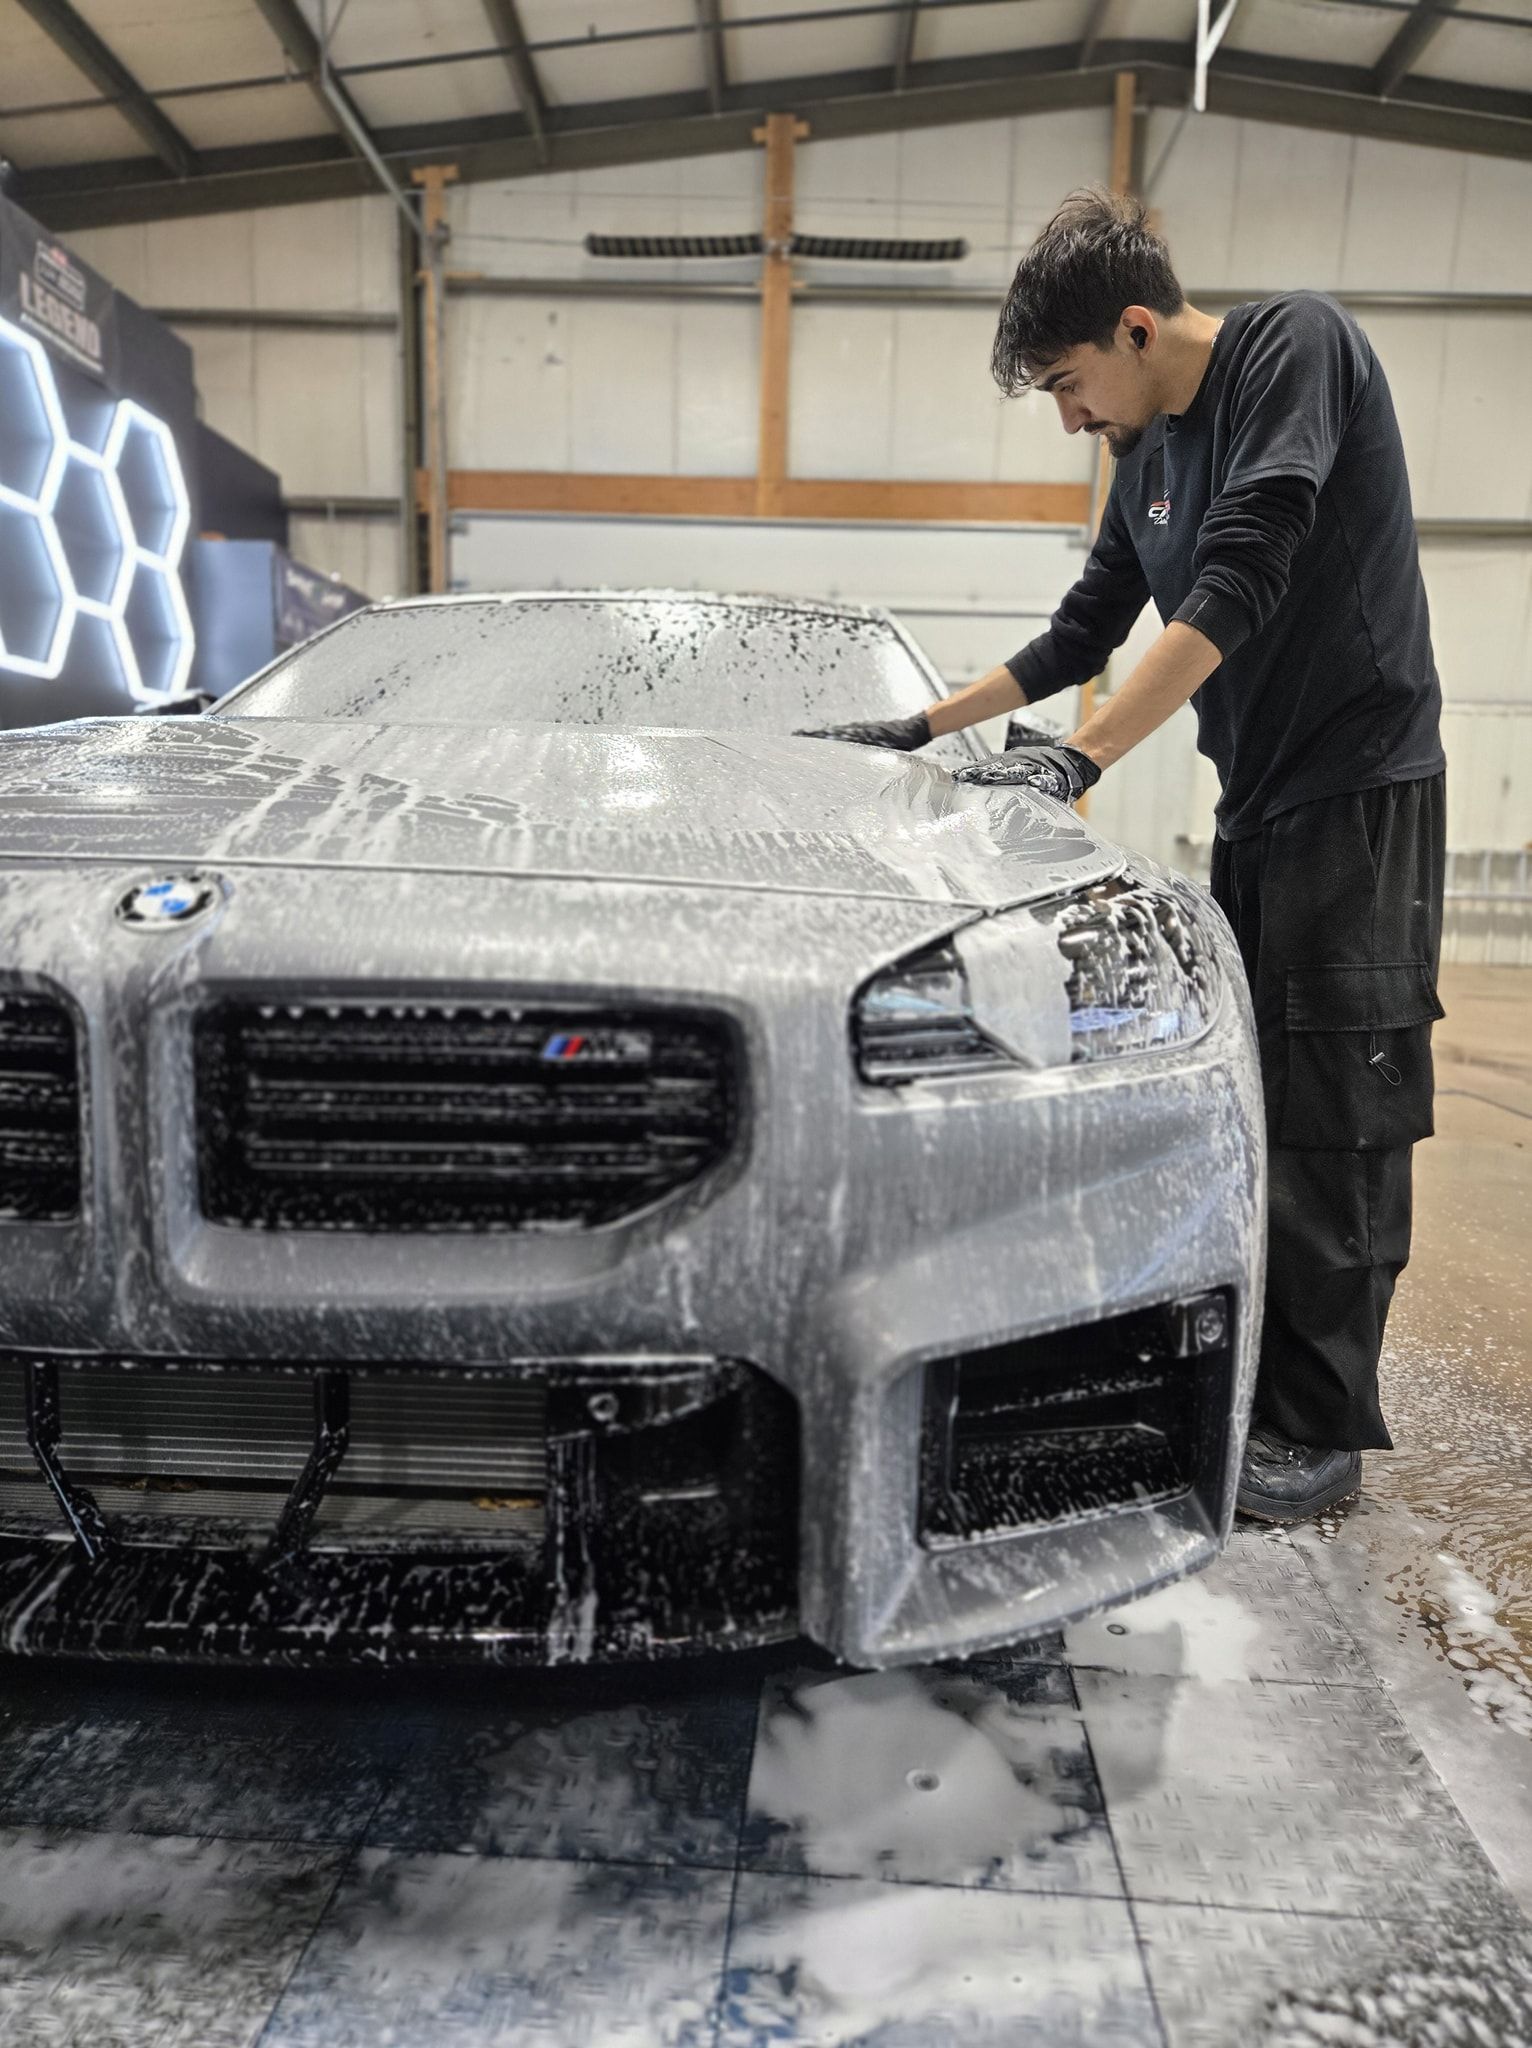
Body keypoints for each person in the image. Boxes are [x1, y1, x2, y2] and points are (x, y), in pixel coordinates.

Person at [800, 187, 1446, 1524]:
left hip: (1362, 789)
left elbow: (1248, 566)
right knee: (1255, 1099)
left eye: (1068, 383)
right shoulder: (1143, 457)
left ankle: (1321, 1436)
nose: (1069, 416)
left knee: (1337, 1107)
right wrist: (916, 725)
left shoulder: (1292, 354)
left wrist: (1084, 758)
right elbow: (1080, 630)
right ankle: (1266, 1382)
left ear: (1138, 330)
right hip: (1260, 800)